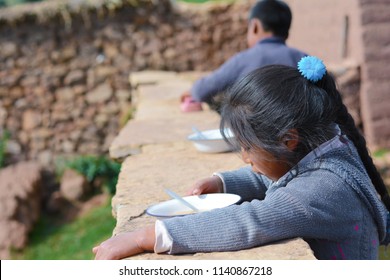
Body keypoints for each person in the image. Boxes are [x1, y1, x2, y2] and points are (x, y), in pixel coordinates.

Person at [93, 56, 390, 260]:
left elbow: (250, 222)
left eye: (247, 147)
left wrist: (146, 236)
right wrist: (223, 182)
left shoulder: (320, 189)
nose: (245, 157)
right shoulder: (326, 146)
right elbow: (277, 175)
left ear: (288, 139)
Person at [180, 0, 307, 113]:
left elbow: (205, 89)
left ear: (255, 26)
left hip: (254, 131)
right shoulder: (303, 59)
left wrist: (192, 91)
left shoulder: (243, 60)